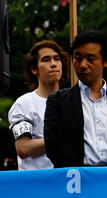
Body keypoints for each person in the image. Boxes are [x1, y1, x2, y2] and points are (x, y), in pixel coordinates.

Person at [44, 30, 107, 167]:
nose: (83, 65)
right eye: (78, 58)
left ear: (106, 61)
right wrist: (86, 173)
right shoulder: (58, 101)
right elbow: (54, 144)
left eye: (90, 59)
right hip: (75, 182)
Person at [8, 41, 69, 170]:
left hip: (69, 182)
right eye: (46, 60)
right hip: (36, 184)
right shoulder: (24, 104)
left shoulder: (74, 102)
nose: (53, 64)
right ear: (34, 69)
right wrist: (59, 139)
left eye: (57, 59)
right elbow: (23, 148)